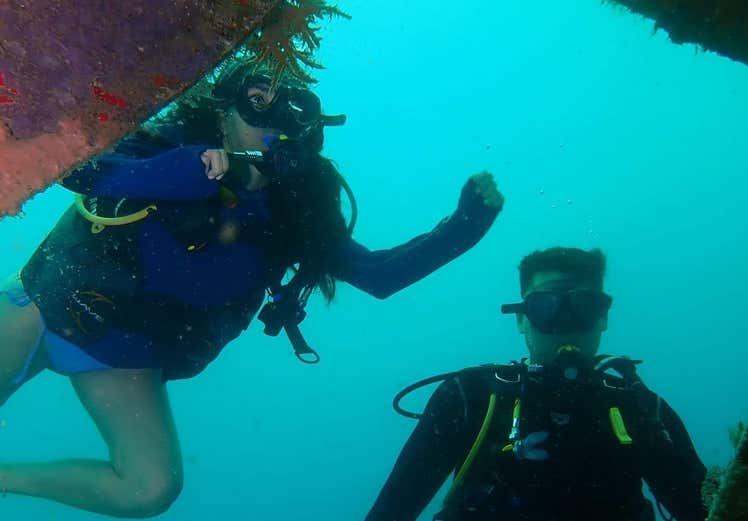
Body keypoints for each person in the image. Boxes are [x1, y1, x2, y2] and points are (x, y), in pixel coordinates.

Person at [0, 60, 504, 517]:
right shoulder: (171, 140)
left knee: (149, 489)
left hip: (125, 356)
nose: (272, 121)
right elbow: (83, 171)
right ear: (223, 106)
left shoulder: (296, 209)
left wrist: (463, 226)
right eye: (258, 102)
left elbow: (378, 275)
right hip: (43, 308)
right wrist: (190, 169)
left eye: (292, 111)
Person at [365, 247, 708, 521]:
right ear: (521, 319)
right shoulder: (470, 397)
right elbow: (391, 512)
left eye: (584, 306)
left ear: (603, 316)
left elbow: (708, 509)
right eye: (547, 308)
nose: (566, 324)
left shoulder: (640, 409)